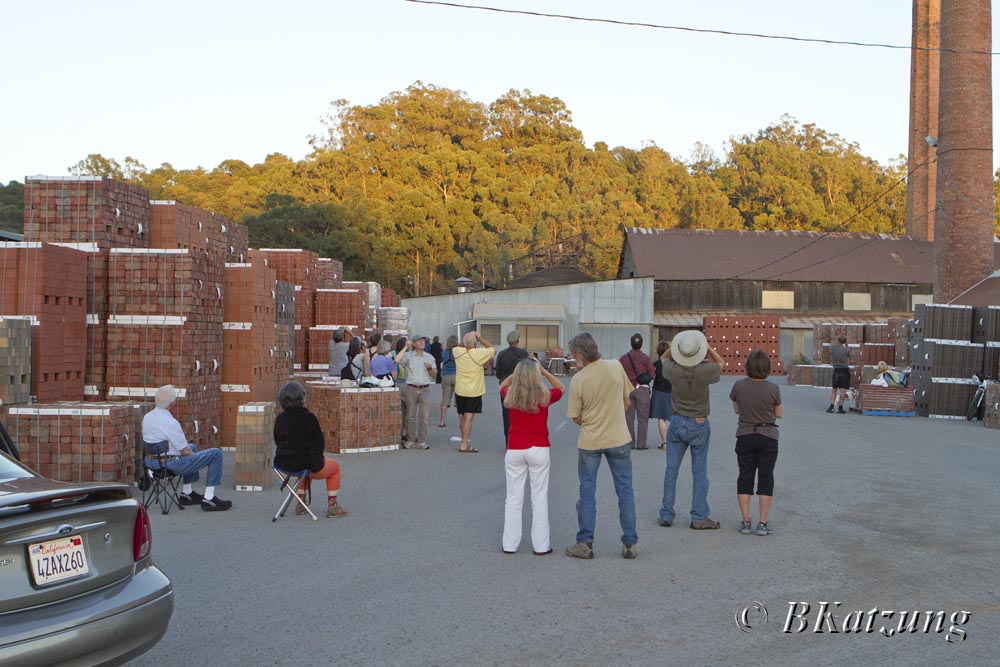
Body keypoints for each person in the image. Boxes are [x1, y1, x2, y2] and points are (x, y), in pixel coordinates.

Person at [565, 332, 637, 560]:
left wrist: (592, 418)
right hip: (619, 437)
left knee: (587, 491)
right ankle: (630, 543)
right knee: (625, 491)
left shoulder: (579, 379)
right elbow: (627, 401)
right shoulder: (616, 366)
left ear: (579, 354)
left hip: (591, 440)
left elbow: (576, 417)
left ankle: (585, 542)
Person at [658, 330, 723, 530]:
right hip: (699, 422)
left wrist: (675, 348)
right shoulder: (706, 371)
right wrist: (707, 346)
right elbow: (721, 363)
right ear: (698, 352)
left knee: (671, 470)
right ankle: (699, 516)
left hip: (677, 421)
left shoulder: (672, 369)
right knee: (699, 471)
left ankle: (667, 513)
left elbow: (662, 358)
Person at [500, 358, 564, 555]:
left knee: (513, 498)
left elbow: (503, 384)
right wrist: (543, 371)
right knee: (539, 497)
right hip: (539, 448)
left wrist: (518, 373)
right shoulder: (545, 396)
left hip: (515, 448)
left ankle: (509, 544)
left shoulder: (510, 395)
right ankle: (541, 545)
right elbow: (560, 387)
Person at [141, 385, 232, 511]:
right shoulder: (171, 423)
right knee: (215, 453)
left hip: (150, 461)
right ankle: (209, 498)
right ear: (173, 403)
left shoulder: (147, 417)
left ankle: (187, 494)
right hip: (168, 464)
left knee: (193, 447)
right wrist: (194, 460)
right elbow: (185, 451)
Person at [273, 381, 347, 518]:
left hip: (282, 464)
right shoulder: (309, 418)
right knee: (334, 467)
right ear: (302, 398)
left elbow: (277, 441)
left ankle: (301, 503)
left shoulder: (279, 419)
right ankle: (333, 506)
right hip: (306, 465)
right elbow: (319, 444)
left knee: (305, 467)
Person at [730, 350, 781, 536]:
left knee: (745, 476)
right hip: (768, 435)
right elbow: (779, 413)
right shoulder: (773, 388)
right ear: (767, 368)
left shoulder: (738, 385)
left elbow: (736, 408)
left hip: (745, 435)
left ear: (748, 367)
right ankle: (762, 522)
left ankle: (745, 521)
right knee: (766, 478)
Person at [453, 331, 494, 453]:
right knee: (469, 417)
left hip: (460, 389)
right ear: (474, 343)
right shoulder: (478, 353)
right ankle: (464, 444)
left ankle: (464, 440)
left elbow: (461, 344)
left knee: (462, 416)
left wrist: (468, 338)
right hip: (474, 390)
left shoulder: (457, 351)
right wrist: (479, 338)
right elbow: (491, 349)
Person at [395, 336, 436, 450]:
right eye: (419, 340)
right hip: (411, 388)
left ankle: (422, 441)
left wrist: (429, 368)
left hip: (425, 388)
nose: (422, 342)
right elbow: (397, 360)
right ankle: (410, 440)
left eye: (423, 340)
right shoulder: (408, 356)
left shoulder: (429, 357)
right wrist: (405, 347)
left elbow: (435, 375)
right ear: (413, 343)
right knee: (410, 416)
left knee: (424, 416)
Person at [620, 333, 655, 450]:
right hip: (643, 389)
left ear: (631, 343)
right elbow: (652, 375)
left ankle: (630, 443)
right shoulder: (645, 358)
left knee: (628, 417)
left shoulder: (623, 358)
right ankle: (641, 444)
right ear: (641, 344)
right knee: (643, 418)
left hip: (628, 389)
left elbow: (619, 374)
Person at [494, 330, 529, 442]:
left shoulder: (501, 354)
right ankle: (521, 439)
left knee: (507, 414)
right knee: (522, 412)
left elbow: (498, 373)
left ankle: (508, 441)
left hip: (505, 387)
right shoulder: (523, 353)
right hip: (521, 386)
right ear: (517, 340)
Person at [651, 341, 673, 450]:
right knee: (672, 417)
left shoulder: (656, 364)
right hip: (671, 392)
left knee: (661, 418)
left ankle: (665, 442)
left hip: (659, 391)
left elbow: (652, 377)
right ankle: (672, 441)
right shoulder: (673, 364)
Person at [438, 335, 458, 428]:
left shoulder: (444, 352)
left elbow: (442, 362)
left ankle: (442, 421)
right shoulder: (458, 351)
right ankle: (461, 422)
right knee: (459, 401)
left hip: (446, 376)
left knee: (445, 401)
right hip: (457, 376)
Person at [828, 333, 851, 413]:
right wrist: (846, 344)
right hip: (844, 370)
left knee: (834, 389)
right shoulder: (847, 349)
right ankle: (840, 408)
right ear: (845, 341)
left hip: (836, 369)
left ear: (838, 340)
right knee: (842, 390)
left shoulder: (832, 348)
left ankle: (831, 407)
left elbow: (831, 357)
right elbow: (849, 358)